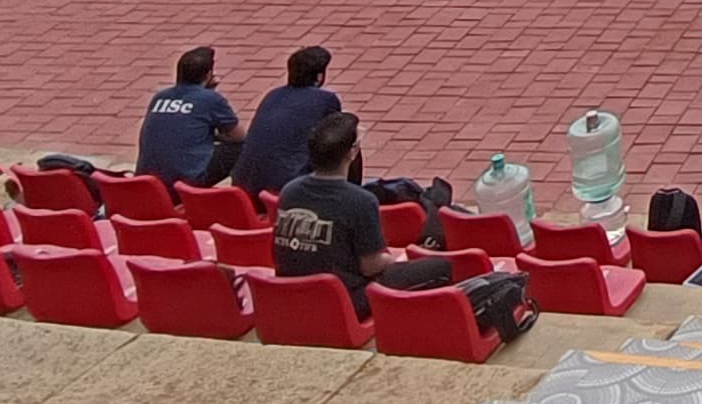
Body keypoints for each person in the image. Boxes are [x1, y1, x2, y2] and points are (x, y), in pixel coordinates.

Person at [273, 112, 461, 316]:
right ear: (351, 153)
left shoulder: (289, 191)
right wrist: (397, 258)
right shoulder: (361, 201)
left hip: (294, 291)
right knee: (440, 267)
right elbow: (371, 266)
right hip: (343, 299)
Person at [234, 45, 345, 200]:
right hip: (288, 190)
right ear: (319, 76)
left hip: (245, 186)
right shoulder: (326, 99)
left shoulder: (272, 95)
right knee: (347, 142)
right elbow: (335, 139)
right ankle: (343, 197)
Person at [136, 46, 241, 185]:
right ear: (209, 75)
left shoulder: (160, 97)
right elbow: (239, 136)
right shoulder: (211, 99)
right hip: (185, 184)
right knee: (241, 147)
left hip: (149, 183)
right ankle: (242, 193)